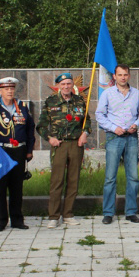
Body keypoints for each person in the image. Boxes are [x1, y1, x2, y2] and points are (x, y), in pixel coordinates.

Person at [37, 73, 91, 228]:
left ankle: (68, 214)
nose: (66, 87)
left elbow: (87, 121)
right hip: (58, 145)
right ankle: (54, 216)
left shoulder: (79, 101)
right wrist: (50, 138)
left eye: (69, 84)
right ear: (59, 86)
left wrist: (85, 134)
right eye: (63, 84)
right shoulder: (51, 101)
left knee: (73, 180)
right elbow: (41, 126)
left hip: (76, 144)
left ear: (72, 85)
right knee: (57, 181)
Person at [95, 64, 139, 224]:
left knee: (133, 177)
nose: (123, 77)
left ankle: (131, 212)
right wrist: (113, 128)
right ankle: (108, 212)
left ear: (129, 76)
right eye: (120, 75)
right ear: (114, 77)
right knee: (110, 177)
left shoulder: (136, 93)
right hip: (114, 137)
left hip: (131, 138)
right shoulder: (108, 94)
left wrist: (136, 124)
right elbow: (99, 114)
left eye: (125, 75)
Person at [0, 77, 35, 232]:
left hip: (19, 150)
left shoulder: (22, 106)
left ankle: (17, 220)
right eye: (6, 89)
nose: (10, 91)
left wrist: (29, 150)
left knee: (17, 187)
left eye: (12, 88)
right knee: (0, 187)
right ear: (0, 91)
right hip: (1, 151)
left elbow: (30, 128)